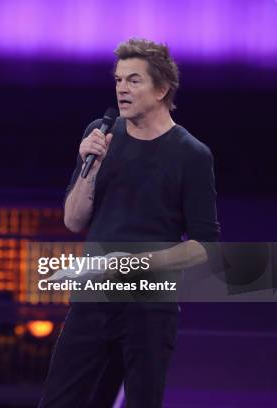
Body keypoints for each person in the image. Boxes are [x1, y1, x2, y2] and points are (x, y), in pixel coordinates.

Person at [39, 38, 220, 407]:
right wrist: (91, 168)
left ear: (162, 88)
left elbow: (204, 246)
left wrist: (129, 262)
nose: (122, 88)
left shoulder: (191, 154)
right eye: (119, 80)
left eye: (134, 80)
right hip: (92, 301)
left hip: (150, 308)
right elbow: (74, 221)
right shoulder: (101, 134)